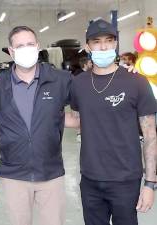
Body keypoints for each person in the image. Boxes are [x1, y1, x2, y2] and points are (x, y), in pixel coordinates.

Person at [68, 19, 157, 225]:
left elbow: (150, 134)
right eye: (97, 42)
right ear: (88, 46)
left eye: (109, 41)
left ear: (116, 43)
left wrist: (150, 184)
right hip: (90, 178)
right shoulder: (78, 83)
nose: (104, 46)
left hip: (125, 180)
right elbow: (80, 119)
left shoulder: (137, 82)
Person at [0, 26, 71, 225]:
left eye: (30, 44)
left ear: (37, 46)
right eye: (19, 46)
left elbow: (91, 95)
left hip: (50, 173)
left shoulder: (60, 80)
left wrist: (118, 75)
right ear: (11, 51)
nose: (26, 49)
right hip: (14, 175)